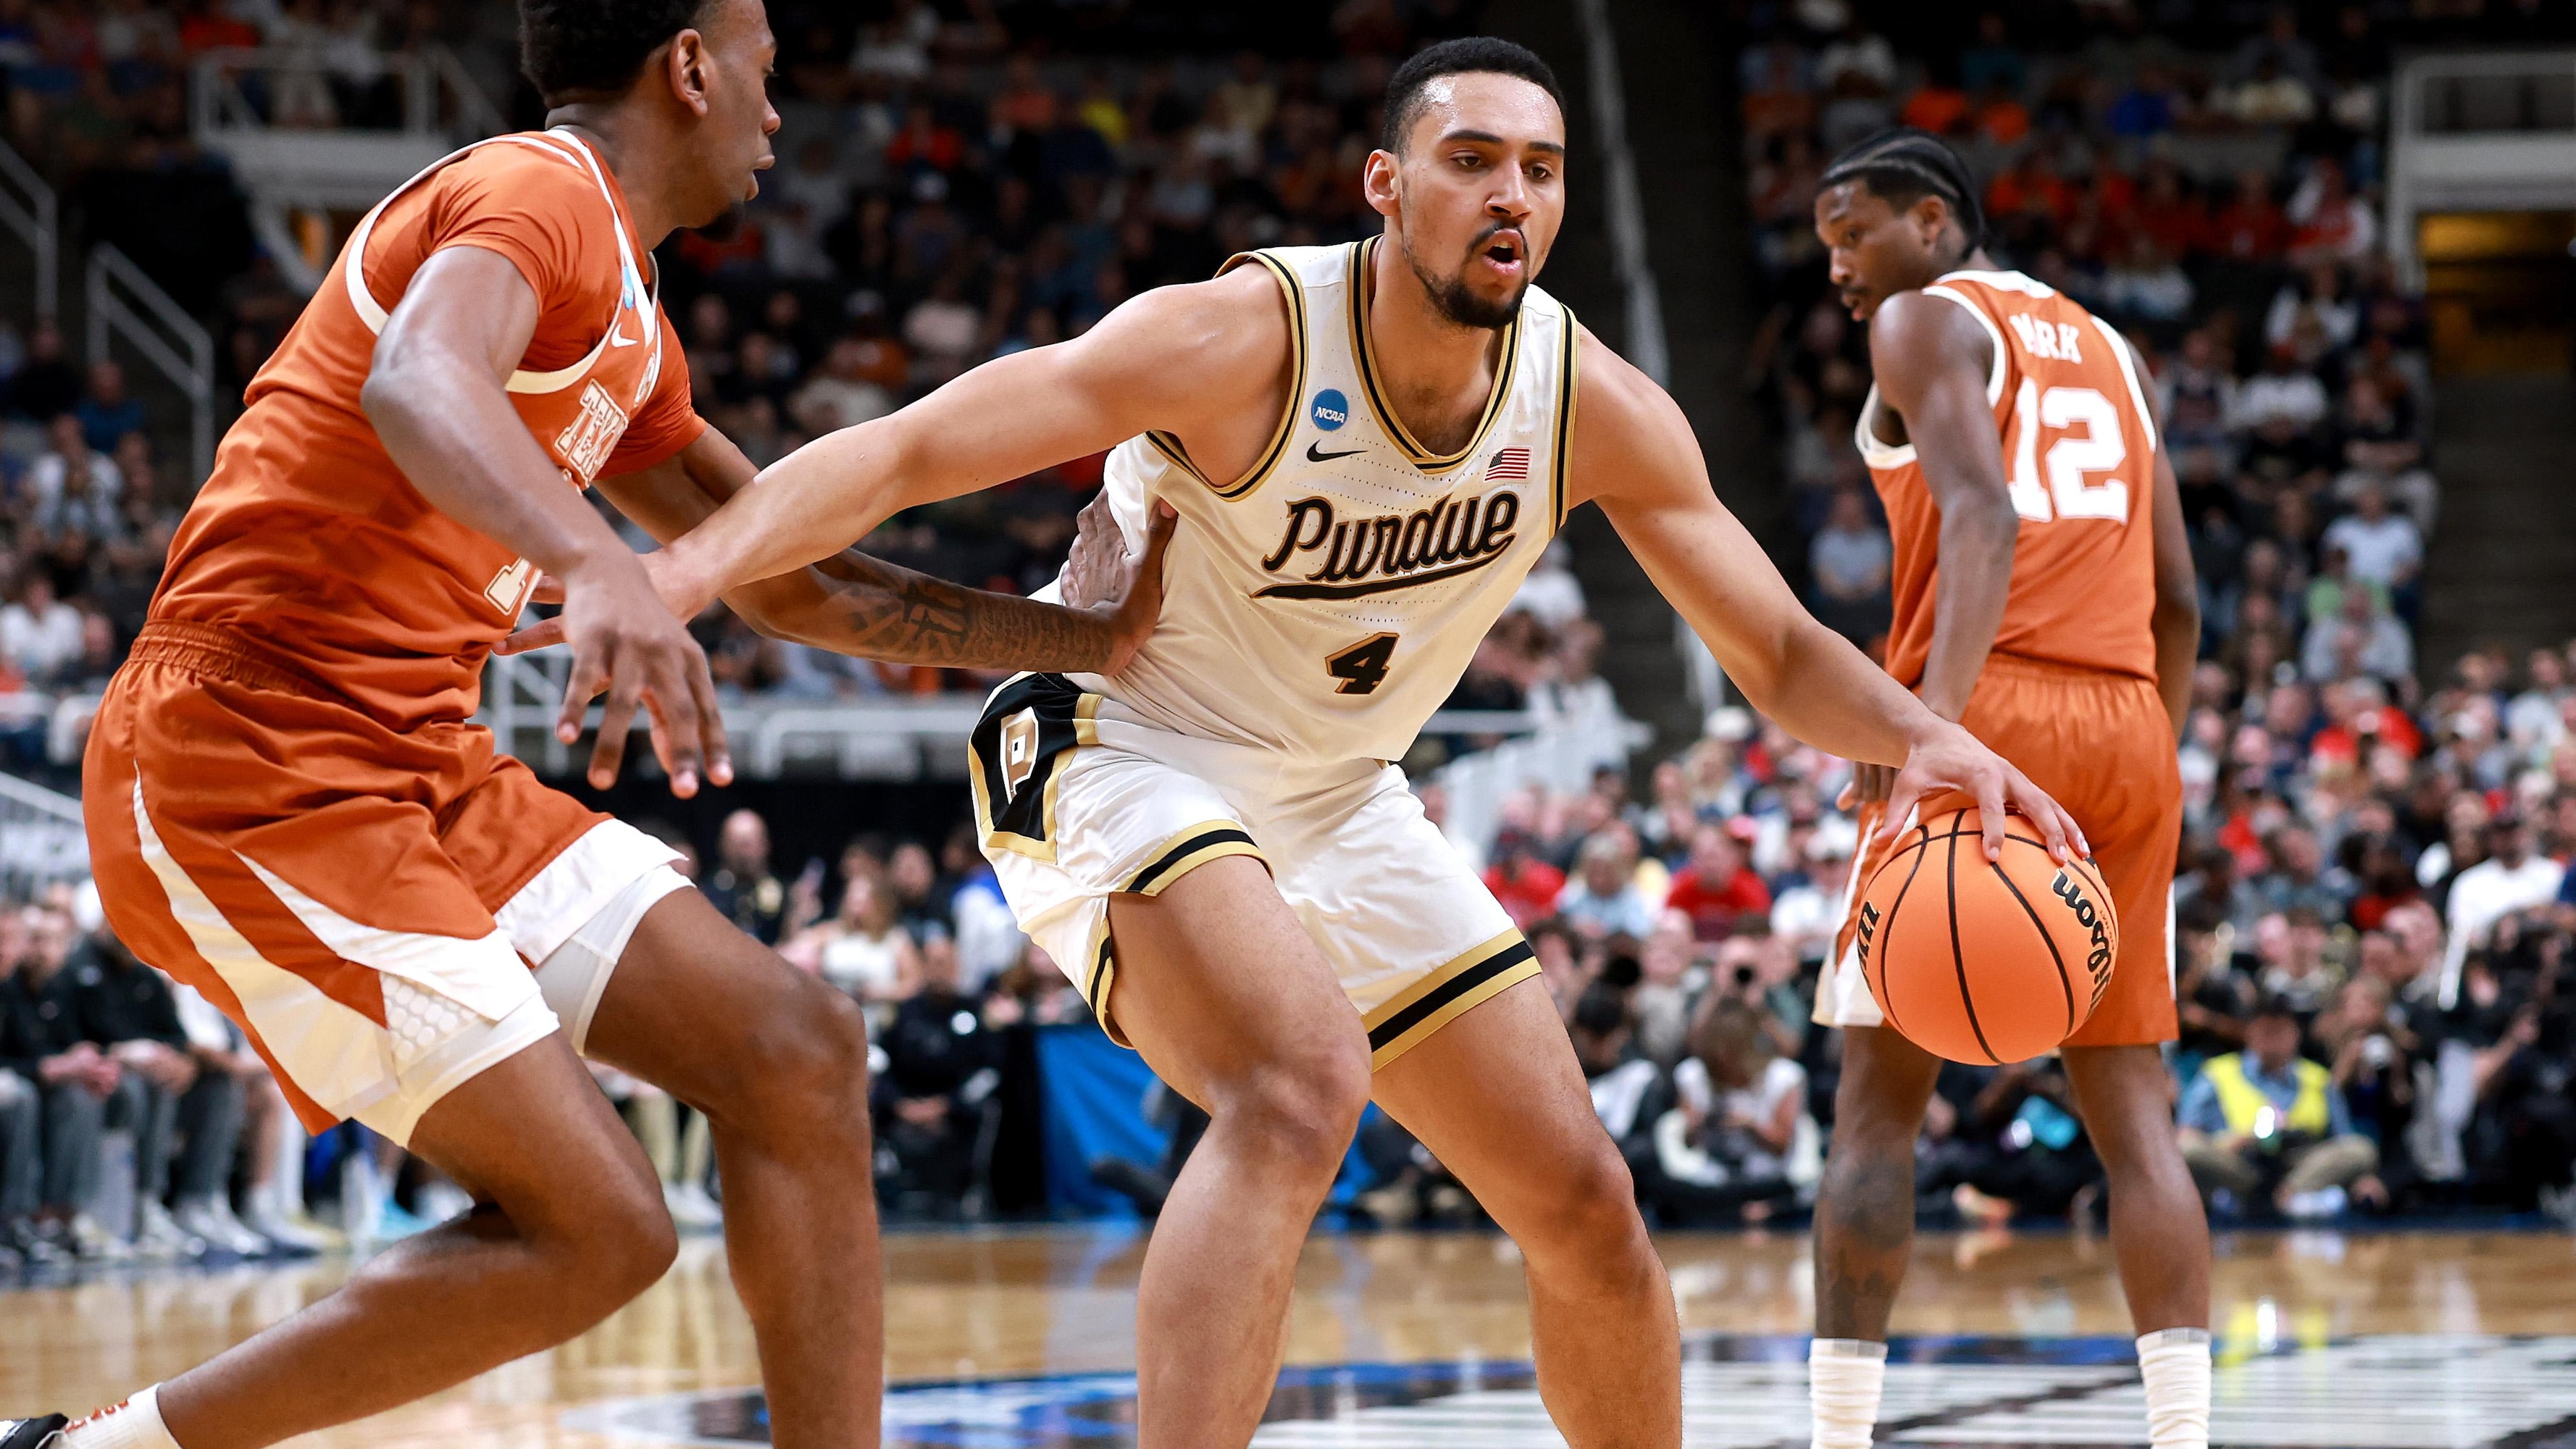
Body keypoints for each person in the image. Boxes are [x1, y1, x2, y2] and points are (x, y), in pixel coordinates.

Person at [621, 39, 2081, 1449]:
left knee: (1584, 1202)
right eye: (1470, 161)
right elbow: (904, 454)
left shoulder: (1590, 403)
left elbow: (1769, 651)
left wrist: (1927, 739)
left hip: (1334, 791)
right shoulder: (1236, 336)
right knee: (1297, 1081)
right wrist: (667, 578)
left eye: (1541, 169)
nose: (1511, 194)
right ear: (1385, 185)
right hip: (1121, 741)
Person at [15, 0, 1168, 1445]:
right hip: (248, 752)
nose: (778, 105)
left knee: (795, 1049)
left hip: (416, 759)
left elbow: (796, 583)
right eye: (764, 58)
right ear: (687, 63)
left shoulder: (625, 308)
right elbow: (416, 378)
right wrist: (594, 561)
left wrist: (1084, 638)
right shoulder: (533, 192)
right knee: (599, 1229)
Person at [1804, 128, 2212, 1449]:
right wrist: (2151, 755)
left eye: (1852, 233)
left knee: (1878, 1108)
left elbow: (1982, 515)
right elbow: (2184, 601)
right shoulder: (2115, 350)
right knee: (2137, 1118)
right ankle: (2182, 1435)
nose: (1840, 271)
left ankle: (1836, 1434)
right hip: (2131, 720)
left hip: (1981, 711)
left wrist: (1930, 724)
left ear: (1932, 222)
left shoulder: (1927, 318)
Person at [2178, 998, 2383, 1217]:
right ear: (2250, 1032)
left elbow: (2343, 1139)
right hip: (2241, 1161)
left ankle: (2285, 1195)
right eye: (2266, 1031)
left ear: (2296, 1034)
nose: (2273, 1040)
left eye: (2280, 1031)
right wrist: (2238, 1140)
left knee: (2361, 1148)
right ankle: (2271, 1198)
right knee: (2187, 1149)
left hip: (2301, 1163)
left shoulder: (2318, 1079)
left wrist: (2363, 1178)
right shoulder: (2217, 1073)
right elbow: (2186, 1133)